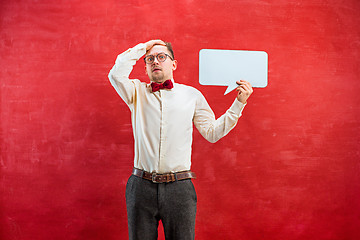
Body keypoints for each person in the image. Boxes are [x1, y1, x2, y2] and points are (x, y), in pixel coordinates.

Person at [108, 40, 253, 240]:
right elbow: (116, 74)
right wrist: (145, 46)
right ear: (145, 66)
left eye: (161, 57)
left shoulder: (192, 95)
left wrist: (239, 103)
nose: (155, 61)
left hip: (179, 188)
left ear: (173, 64)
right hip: (140, 187)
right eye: (150, 59)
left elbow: (212, 133)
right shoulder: (136, 92)